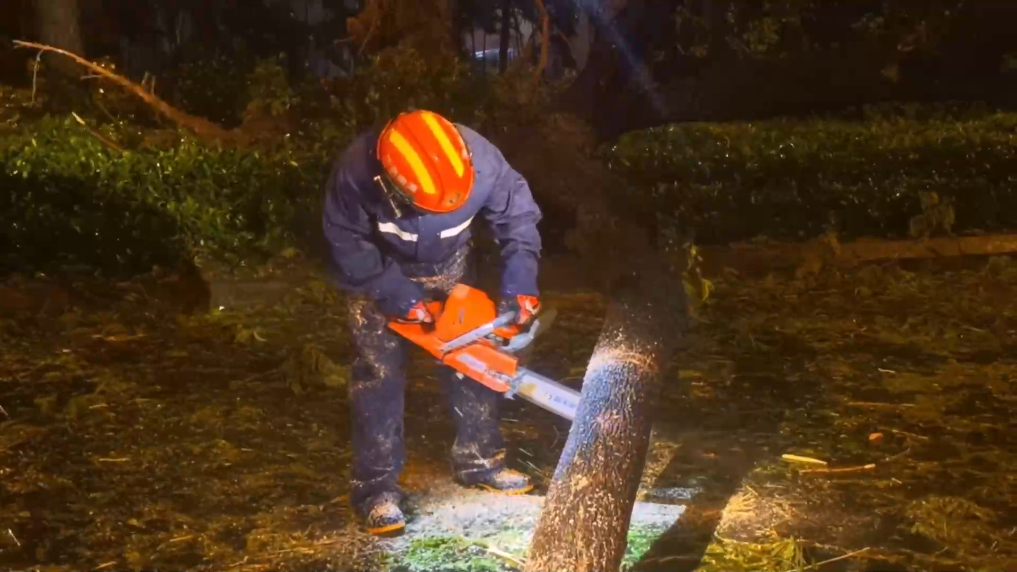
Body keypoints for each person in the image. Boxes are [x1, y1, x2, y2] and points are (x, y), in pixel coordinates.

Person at [322, 110, 543, 536]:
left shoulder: (483, 162)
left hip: (450, 263)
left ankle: (480, 461)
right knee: (379, 375)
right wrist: (394, 293)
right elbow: (346, 241)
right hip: (379, 267)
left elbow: (518, 218)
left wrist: (520, 281)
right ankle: (375, 490)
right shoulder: (355, 173)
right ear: (388, 183)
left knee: (476, 360)